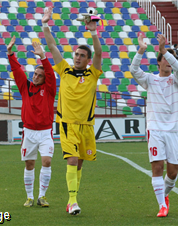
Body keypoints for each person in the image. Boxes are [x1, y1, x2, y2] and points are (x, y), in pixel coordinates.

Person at [42, 6, 103, 215]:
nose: (77, 57)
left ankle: (72, 200)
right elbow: (51, 46)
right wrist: (45, 24)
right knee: (73, 159)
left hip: (86, 125)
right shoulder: (64, 69)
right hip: (67, 123)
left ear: (87, 60)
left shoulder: (93, 73)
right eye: (76, 54)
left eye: (81, 55)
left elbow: (99, 53)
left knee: (79, 165)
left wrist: (93, 31)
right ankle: (73, 201)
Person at [130, 34, 178, 217]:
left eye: (172, 58)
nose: (170, 61)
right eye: (166, 58)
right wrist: (141, 50)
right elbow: (134, 69)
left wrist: (165, 51)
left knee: (172, 172)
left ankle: (165, 195)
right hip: (154, 128)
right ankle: (162, 206)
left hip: (174, 130)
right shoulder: (150, 80)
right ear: (159, 63)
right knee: (157, 167)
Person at [7, 36, 56, 208]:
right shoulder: (25, 87)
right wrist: (10, 53)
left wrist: (43, 56)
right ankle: (29, 197)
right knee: (29, 164)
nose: (35, 77)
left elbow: (50, 73)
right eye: (35, 74)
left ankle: (42, 196)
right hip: (28, 132)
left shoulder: (49, 90)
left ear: (45, 79)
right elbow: (17, 70)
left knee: (47, 161)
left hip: (45, 132)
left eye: (39, 75)